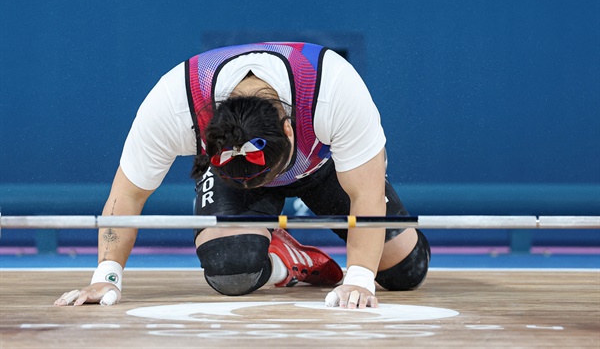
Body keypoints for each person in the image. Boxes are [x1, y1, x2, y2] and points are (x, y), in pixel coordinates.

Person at [54, 42, 430, 309]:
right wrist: (107, 275)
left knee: (406, 270)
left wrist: (359, 280)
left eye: (263, 178)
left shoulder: (333, 89)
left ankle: (280, 232)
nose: (261, 187)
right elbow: (127, 196)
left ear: (288, 130)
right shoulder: (172, 104)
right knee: (230, 272)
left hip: (322, 168)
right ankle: (288, 259)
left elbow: (365, 197)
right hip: (230, 173)